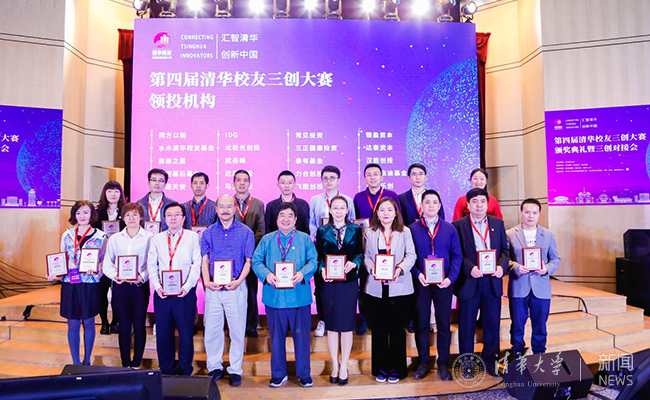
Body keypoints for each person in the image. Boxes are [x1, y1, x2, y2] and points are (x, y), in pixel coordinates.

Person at [252, 202, 318, 388]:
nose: (286, 219)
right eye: (282, 215)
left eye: (290, 215)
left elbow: (314, 261)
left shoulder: (305, 239)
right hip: (275, 298)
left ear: (295, 219)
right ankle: (278, 374)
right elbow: (256, 261)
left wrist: (303, 273)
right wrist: (267, 275)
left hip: (299, 297)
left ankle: (304, 374)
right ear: (276, 219)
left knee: (302, 339)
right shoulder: (267, 239)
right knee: (276, 339)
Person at [452, 188, 509, 377]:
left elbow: (505, 251)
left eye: (482, 201)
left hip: (492, 281)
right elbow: (456, 253)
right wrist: (470, 268)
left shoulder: (497, 223)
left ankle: (491, 363)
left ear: (487, 204)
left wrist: (501, 267)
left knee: (492, 325)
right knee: (467, 326)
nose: (479, 205)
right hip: (470, 281)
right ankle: (467, 364)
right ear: (468, 205)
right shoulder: (458, 225)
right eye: (474, 201)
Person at [201, 195, 255, 387]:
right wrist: (206, 281)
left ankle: (235, 369)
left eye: (229, 206)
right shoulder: (208, 232)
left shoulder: (246, 232)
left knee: (237, 331)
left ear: (235, 209)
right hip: (214, 288)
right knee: (212, 330)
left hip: (236, 287)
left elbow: (248, 261)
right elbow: (205, 259)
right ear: (216, 209)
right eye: (221, 206)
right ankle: (214, 367)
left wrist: (239, 281)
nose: (225, 210)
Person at [408, 190, 462, 381]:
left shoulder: (449, 228)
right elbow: (408, 256)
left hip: (443, 284)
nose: (431, 206)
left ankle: (443, 364)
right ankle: (423, 363)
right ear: (422, 206)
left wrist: (450, 279)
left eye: (434, 202)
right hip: (421, 283)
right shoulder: (412, 229)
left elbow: (457, 256)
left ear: (439, 206)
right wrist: (418, 274)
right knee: (421, 324)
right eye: (427, 202)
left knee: (444, 325)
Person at [363, 197, 416, 384]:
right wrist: (372, 269)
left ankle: (397, 369)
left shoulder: (405, 231)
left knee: (397, 330)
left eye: (389, 210)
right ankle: (380, 368)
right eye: (382, 210)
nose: (386, 213)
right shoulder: (369, 232)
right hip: (376, 288)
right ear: (377, 213)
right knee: (379, 330)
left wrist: (400, 269)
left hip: (399, 287)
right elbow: (366, 256)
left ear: (395, 213)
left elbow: (411, 255)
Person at [47, 200, 107, 366]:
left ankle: (87, 361)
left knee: (89, 322)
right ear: (74, 215)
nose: (82, 216)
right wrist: (55, 273)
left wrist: (98, 270)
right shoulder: (66, 235)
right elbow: (62, 258)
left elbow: (104, 261)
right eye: (78, 212)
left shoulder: (101, 236)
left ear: (92, 214)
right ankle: (75, 363)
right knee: (72, 323)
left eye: (86, 212)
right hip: (70, 283)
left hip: (90, 283)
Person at [147, 202, 201, 375]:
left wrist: (187, 287)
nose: (173, 218)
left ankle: (185, 369)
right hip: (162, 294)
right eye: (169, 215)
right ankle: (166, 369)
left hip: (184, 294)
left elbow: (196, 264)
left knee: (186, 334)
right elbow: (152, 265)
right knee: (163, 334)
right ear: (164, 218)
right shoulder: (156, 239)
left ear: (183, 218)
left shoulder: (192, 237)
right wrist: (157, 287)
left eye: (177, 214)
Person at [316, 196, 364, 386]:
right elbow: (319, 256)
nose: (338, 211)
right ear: (330, 209)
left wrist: (355, 263)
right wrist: (322, 269)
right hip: (329, 283)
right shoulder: (322, 230)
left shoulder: (356, 229)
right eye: (335, 207)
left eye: (342, 207)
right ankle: (334, 365)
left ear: (347, 210)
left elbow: (360, 253)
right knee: (332, 325)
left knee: (346, 325)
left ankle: (344, 366)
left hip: (349, 283)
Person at [507, 198, 561, 356]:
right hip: (518, 286)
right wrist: (516, 267)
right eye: (527, 212)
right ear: (521, 213)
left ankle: (539, 354)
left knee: (540, 325)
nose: (531, 216)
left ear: (539, 215)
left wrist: (546, 269)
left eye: (534, 213)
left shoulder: (548, 234)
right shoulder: (510, 234)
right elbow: (504, 259)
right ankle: (517, 353)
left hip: (541, 286)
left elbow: (555, 259)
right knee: (517, 325)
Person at [102, 202, 153, 369]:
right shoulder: (115, 239)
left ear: (141, 217)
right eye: (128, 215)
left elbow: (152, 263)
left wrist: (142, 277)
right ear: (123, 218)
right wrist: (114, 275)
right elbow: (107, 263)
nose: (131, 218)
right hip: (120, 287)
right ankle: (125, 364)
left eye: (135, 214)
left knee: (139, 325)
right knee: (123, 326)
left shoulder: (150, 238)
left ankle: (136, 363)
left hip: (139, 287)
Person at [309, 165, 355, 337]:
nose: (329, 181)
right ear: (322, 180)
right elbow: (311, 223)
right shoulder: (315, 200)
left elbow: (352, 222)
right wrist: (324, 237)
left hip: (344, 249)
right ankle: (322, 320)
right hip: (323, 247)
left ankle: (340, 320)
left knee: (341, 286)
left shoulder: (347, 200)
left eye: (332, 178)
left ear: (338, 180)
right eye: (325, 178)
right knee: (322, 284)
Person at [231, 169, 265, 338]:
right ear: (234, 183)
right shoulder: (227, 202)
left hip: (251, 254)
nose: (242, 183)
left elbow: (261, 229)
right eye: (239, 180)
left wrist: (248, 248)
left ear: (249, 183)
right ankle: (233, 326)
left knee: (251, 291)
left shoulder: (258, 204)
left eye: (245, 180)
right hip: (231, 256)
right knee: (232, 291)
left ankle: (251, 325)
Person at [92, 180, 127, 335]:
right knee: (102, 292)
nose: (113, 194)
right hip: (102, 258)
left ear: (121, 194)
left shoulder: (126, 212)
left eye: (116, 191)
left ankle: (115, 322)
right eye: (110, 191)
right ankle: (104, 322)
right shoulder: (97, 213)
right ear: (104, 194)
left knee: (118, 293)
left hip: (121, 259)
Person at [265, 170, 310, 234]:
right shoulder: (271, 206)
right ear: (278, 185)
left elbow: (306, 229)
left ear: (294, 185)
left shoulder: (303, 205)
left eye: (290, 183)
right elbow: (268, 229)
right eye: (283, 183)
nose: (286, 186)